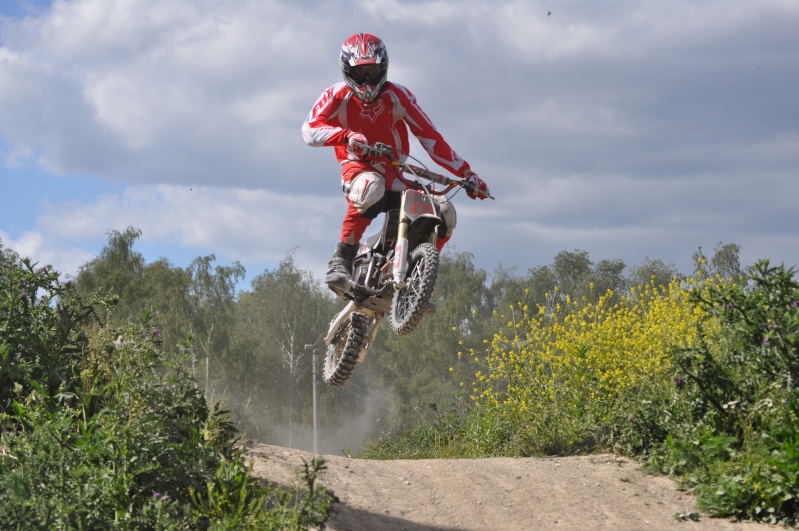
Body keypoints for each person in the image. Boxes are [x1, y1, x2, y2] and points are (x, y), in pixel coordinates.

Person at [302, 33, 489, 293]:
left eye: (373, 71)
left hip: (395, 172)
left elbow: (431, 138)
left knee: (444, 210)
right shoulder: (337, 94)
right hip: (359, 169)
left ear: (384, 68)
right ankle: (342, 258)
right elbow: (309, 130)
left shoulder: (399, 95)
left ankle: (418, 276)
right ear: (347, 70)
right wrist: (345, 136)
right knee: (371, 187)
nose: (367, 80)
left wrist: (467, 173)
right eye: (361, 72)